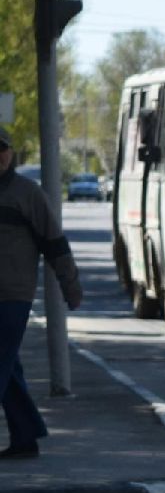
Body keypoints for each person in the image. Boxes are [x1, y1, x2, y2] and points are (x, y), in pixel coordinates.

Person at [0, 126, 83, 459]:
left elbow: (54, 242)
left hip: (12, 296)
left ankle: (25, 436)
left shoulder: (27, 193)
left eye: (2, 149)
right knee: (9, 370)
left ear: (11, 153)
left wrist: (70, 284)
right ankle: (25, 437)